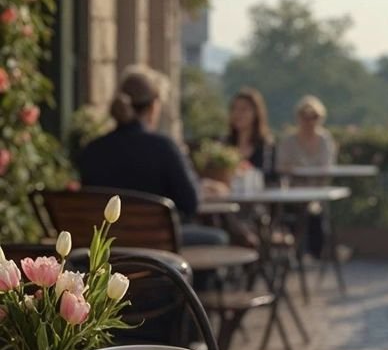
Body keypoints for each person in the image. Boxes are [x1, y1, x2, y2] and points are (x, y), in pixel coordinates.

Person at [79, 65, 224, 247]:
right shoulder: (164, 147)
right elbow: (190, 204)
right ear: (153, 106)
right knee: (218, 238)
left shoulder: (92, 150)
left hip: (109, 247)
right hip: (157, 248)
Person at [277, 96, 337, 258]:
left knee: (315, 211)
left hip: (318, 192)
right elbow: (281, 166)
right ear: (299, 117)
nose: (309, 121)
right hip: (293, 192)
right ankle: (298, 250)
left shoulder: (325, 140)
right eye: (305, 116)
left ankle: (315, 252)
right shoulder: (289, 140)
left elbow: (327, 167)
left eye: (314, 117)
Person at [227, 88, 276, 181]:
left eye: (243, 109)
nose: (237, 113)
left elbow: (269, 176)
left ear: (256, 113)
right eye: (234, 109)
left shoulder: (266, 146)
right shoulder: (224, 145)